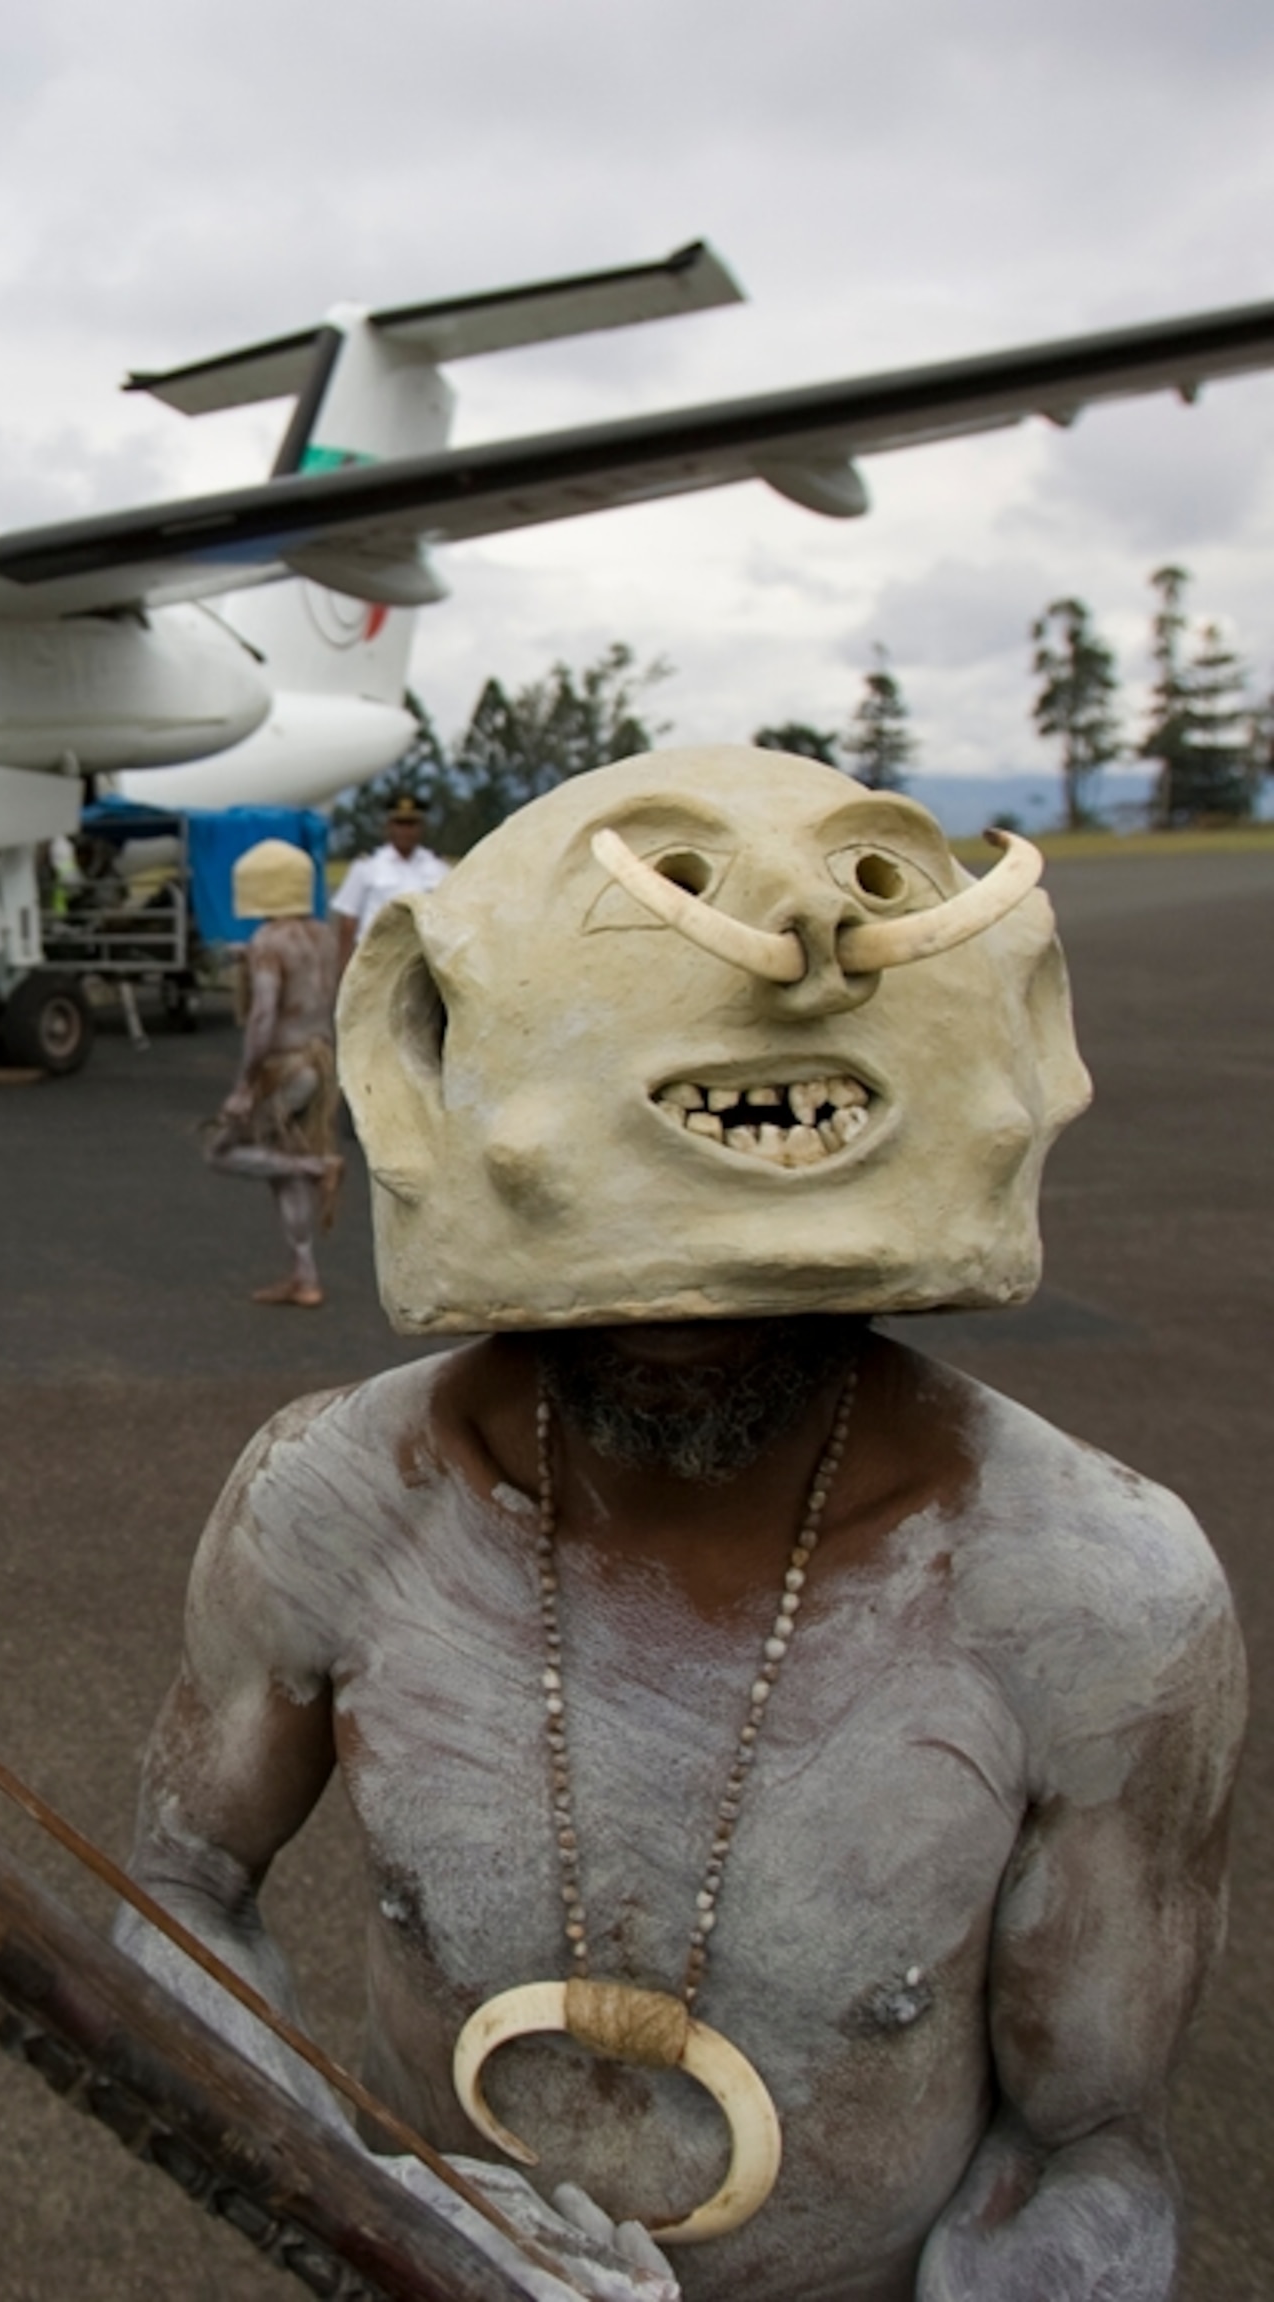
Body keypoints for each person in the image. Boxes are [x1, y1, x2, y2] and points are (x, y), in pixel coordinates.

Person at [119, 748, 1239, 2300]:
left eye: (743, 1299)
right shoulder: (336, 1505)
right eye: (635, 1303)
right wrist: (334, 2191)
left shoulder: (1095, 1598)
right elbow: (180, 1891)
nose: (682, 1333)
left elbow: (1090, 2149)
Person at [201, 839, 344, 1308]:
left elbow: (263, 1017)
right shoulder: (323, 935)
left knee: (221, 1151)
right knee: (279, 1172)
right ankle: (305, 1277)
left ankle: (318, 1167)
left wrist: (244, 1085)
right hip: (319, 1062)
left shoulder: (268, 943)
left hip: (285, 1068)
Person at [329, 794, 448, 966]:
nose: (405, 831)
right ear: (389, 826)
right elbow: (348, 920)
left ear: (421, 827)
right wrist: (343, 967)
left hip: (423, 960)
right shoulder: (367, 865)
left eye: (411, 824)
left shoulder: (438, 867)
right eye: (400, 824)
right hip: (376, 959)